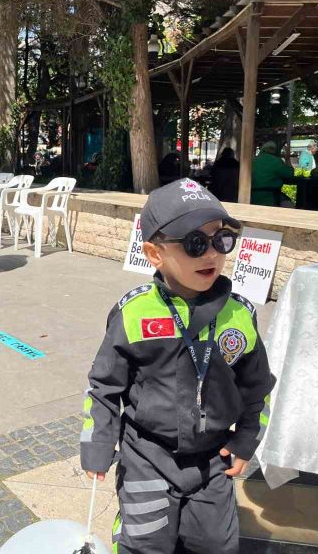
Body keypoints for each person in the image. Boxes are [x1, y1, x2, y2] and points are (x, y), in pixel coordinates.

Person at [81, 179, 275, 554]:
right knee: (146, 542)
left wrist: (246, 440)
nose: (211, 255)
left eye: (221, 239)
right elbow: (104, 386)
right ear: (155, 254)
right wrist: (98, 443)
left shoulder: (239, 314)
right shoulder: (135, 313)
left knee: (215, 543)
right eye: (195, 243)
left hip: (212, 459)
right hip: (146, 456)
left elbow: (258, 387)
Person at [251, 141, 294, 206]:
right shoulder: (276, 161)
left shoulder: (254, 160)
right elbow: (290, 174)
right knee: (289, 204)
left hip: (252, 196)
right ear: (274, 150)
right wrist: (287, 160)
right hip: (271, 197)